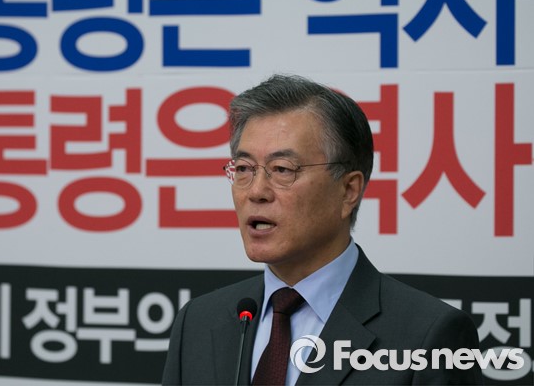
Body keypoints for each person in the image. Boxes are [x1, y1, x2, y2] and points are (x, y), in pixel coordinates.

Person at [162, 74, 482, 385]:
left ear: (348, 191)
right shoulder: (198, 322)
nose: (256, 191)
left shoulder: (429, 335)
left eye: (282, 169)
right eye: (244, 168)